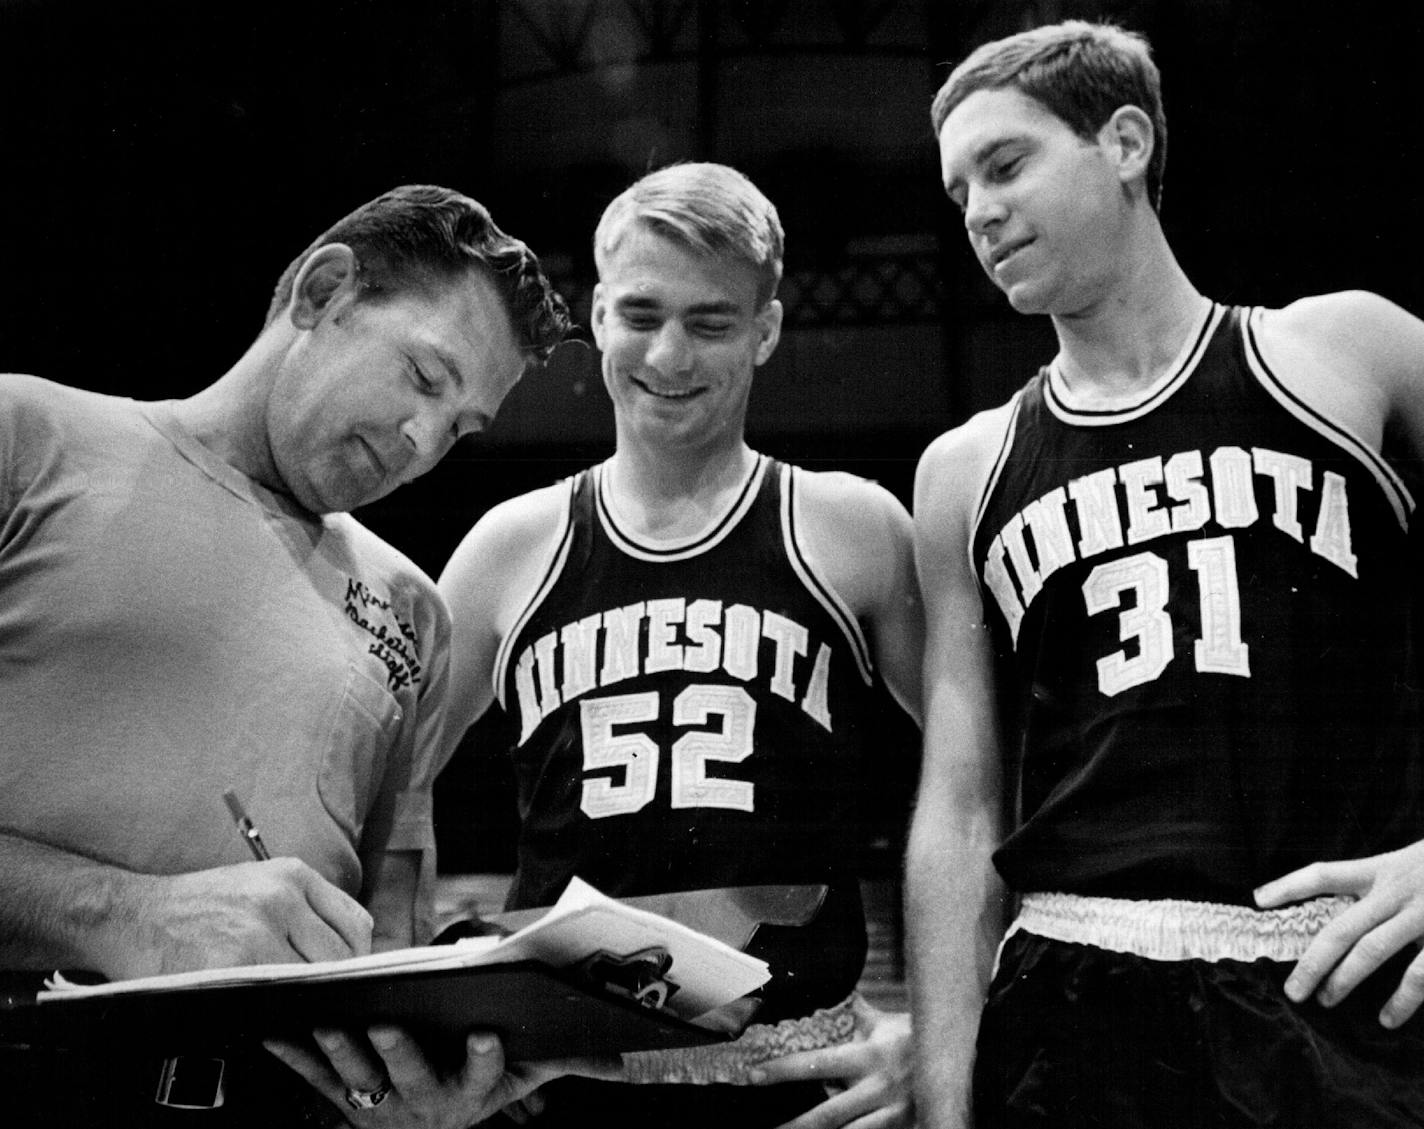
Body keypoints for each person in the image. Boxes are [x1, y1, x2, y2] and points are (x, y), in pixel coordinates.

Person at [908, 18, 1424, 1129]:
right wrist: (943, 1104)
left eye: (1004, 165)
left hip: (1336, 980)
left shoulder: (1345, 352)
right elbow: (956, 809)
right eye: (958, 194)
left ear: (1126, 140)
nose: (980, 213)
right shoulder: (963, 469)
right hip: (1072, 992)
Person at [0, 183, 580, 1127]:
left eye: (462, 427)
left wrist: (405, 1093)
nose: (424, 442)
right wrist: (121, 913)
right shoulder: (26, 438)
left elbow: (392, 937)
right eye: (426, 379)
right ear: (322, 292)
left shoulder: (414, 613)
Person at [437, 162, 923, 1129]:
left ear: (767, 332)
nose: (668, 352)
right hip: (557, 1081)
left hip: (799, 1081)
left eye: (710, 322)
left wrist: (953, 1026)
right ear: (596, 314)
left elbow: (993, 773)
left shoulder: (851, 528)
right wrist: (413, 989)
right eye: (641, 313)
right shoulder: (508, 545)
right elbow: (382, 781)